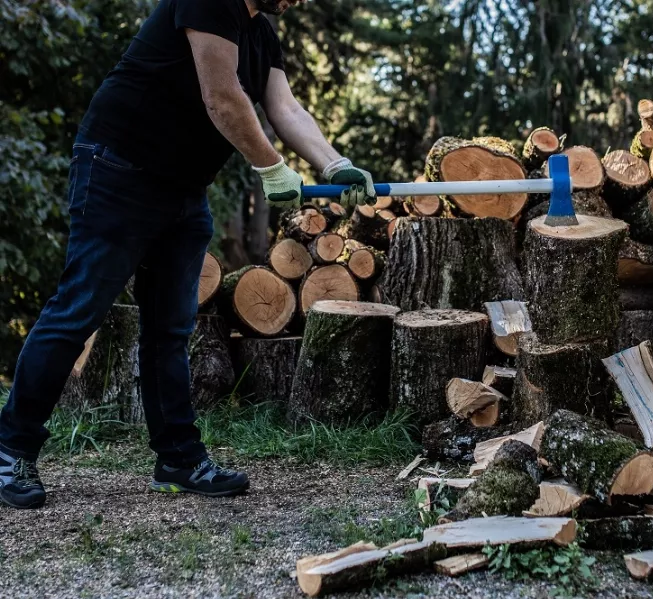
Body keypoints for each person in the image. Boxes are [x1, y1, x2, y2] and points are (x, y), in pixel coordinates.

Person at [0, 0, 375, 509]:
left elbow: (285, 108)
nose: (300, 1)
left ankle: (177, 458)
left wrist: (336, 165)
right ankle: (9, 450)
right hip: (118, 169)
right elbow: (221, 96)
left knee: (171, 328)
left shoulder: (261, 32)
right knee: (78, 310)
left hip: (181, 188)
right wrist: (271, 169)